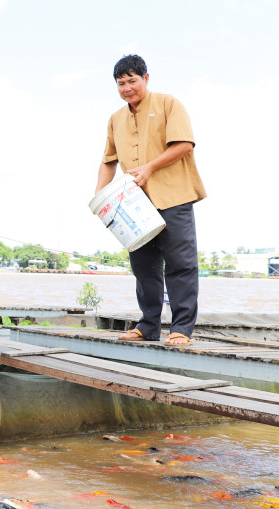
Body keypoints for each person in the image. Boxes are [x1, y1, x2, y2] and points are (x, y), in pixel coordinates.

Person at [95, 54, 206, 347]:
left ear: (146, 78)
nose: (127, 88)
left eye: (132, 80)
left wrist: (150, 167)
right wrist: (99, 199)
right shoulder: (115, 118)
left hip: (174, 195)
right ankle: (148, 325)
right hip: (134, 204)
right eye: (121, 83)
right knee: (143, 265)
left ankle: (181, 328)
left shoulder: (169, 104)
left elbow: (184, 144)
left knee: (181, 263)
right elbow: (108, 161)